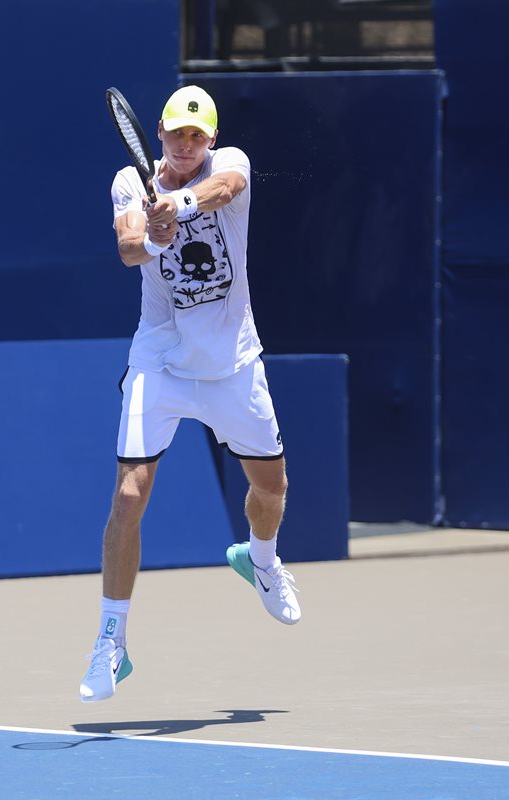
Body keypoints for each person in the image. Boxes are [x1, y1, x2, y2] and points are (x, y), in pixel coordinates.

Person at [79, 85, 301, 704]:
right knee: (128, 496)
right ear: (159, 132)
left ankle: (260, 559)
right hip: (160, 363)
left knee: (271, 488)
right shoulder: (130, 181)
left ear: (211, 139)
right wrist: (154, 236)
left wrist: (175, 206)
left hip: (233, 363)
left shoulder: (231, 163)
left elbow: (223, 190)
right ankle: (111, 642)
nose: (186, 144)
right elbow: (128, 249)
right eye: (177, 133)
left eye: (196, 136)